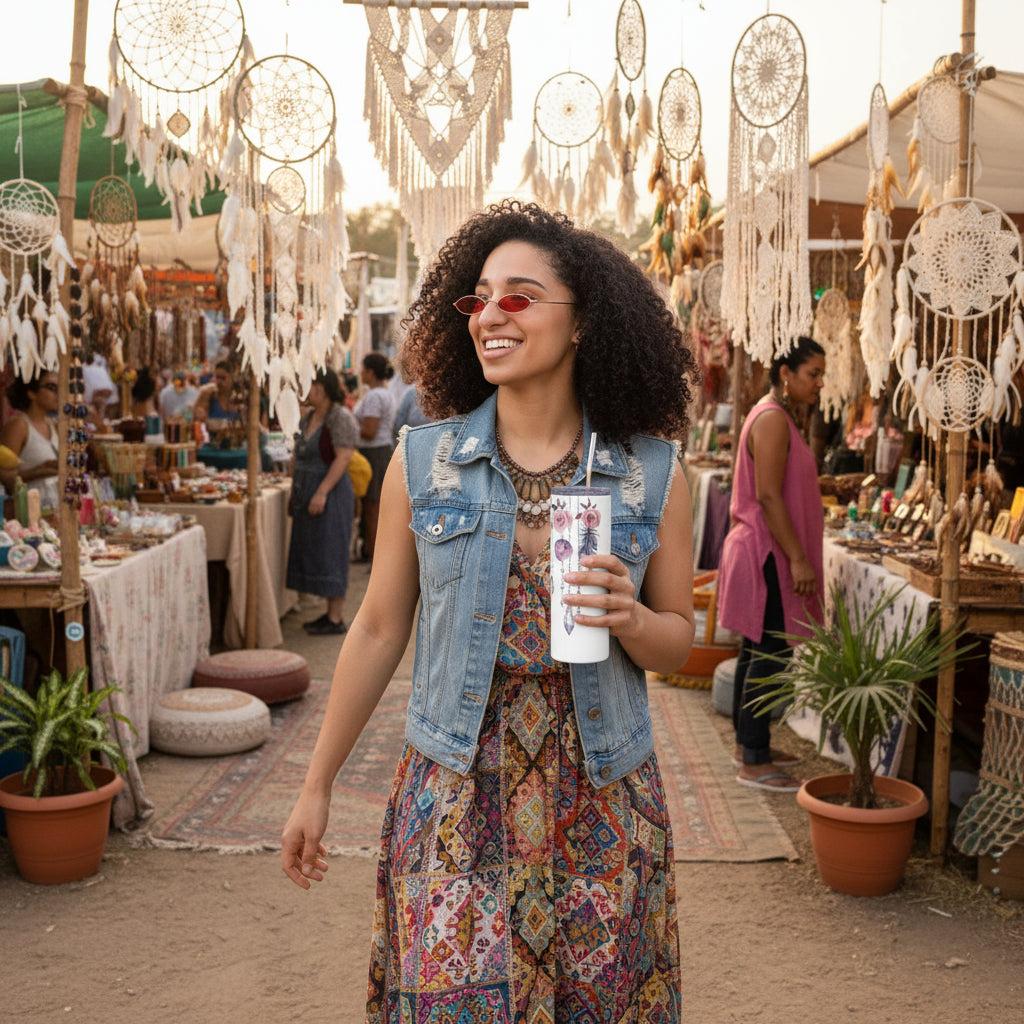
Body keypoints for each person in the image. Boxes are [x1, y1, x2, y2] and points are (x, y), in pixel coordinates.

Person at [281, 200, 698, 1021]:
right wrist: (316, 784)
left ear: (583, 322)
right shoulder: (422, 463)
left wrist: (634, 620)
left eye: (520, 296)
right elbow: (375, 628)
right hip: (453, 790)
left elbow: (679, 641)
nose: (491, 316)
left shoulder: (652, 474)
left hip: (603, 797)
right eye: (478, 298)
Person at [717, 336, 826, 792]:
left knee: (757, 648)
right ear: (787, 372)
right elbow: (766, 494)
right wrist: (798, 557)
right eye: (813, 374)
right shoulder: (773, 419)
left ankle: (750, 746)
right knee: (770, 652)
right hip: (768, 551)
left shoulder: (774, 416)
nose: (819, 384)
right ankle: (755, 760)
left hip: (763, 547)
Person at [286, 369, 359, 636]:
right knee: (316, 550)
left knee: (332, 550)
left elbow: (343, 457)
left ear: (322, 387)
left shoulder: (339, 417)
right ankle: (328, 613)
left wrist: (322, 491)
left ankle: (336, 615)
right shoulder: (308, 418)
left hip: (331, 493)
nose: (305, 390)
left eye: (309, 384)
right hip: (308, 489)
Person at [352, 352, 396, 560]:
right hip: (381, 449)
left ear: (370, 372)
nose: (360, 373)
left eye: (363, 369)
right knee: (374, 505)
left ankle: (373, 553)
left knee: (372, 507)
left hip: (373, 452)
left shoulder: (374, 396)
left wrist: (350, 428)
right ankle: (372, 551)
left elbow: (369, 430)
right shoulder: (384, 393)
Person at [0, 373, 60, 503]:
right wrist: (39, 471)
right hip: (27, 511)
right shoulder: (18, 425)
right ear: (32, 393)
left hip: (53, 509)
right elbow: (4, 477)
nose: (58, 394)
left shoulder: (53, 425)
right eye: (52, 388)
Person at [193, 360, 242, 439]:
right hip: (213, 445)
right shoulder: (209, 395)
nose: (219, 381)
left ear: (231, 378)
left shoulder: (239, 397)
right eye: (217, 377)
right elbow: (197, 417)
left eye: (223, 378)